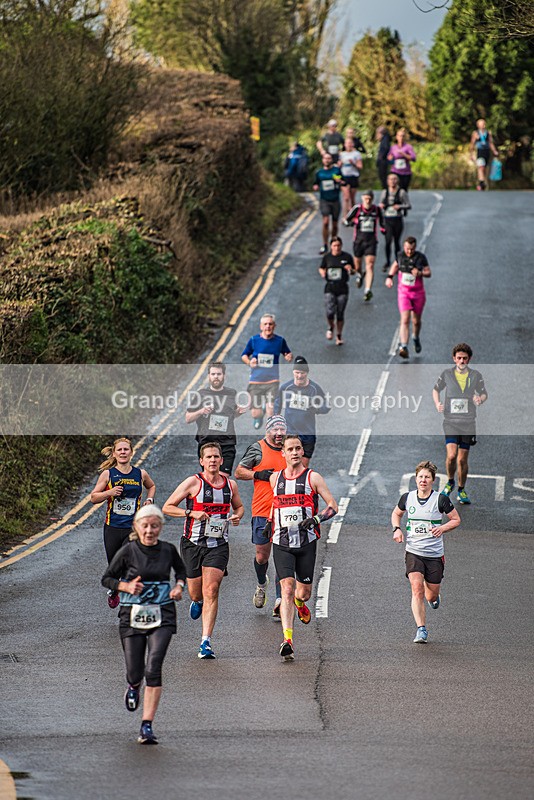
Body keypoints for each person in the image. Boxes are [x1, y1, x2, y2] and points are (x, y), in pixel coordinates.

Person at [101, 504, 186, 745]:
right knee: (135, 671)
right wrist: (125, 586)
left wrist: (179, 587)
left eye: (154, 526)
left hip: (163, 614)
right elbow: (106, 578)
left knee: (154, 667)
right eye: (145, 526)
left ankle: (146, 725)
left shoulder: (168, 550)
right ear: (137, 527)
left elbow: (181, 572)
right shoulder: (128, 551)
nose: (149, 530)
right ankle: (133, 685)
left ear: (160, 527)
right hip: (132, 615)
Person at [162, 442, 244, 659]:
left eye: (216, 456)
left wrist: (237, 516)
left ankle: (205, 642)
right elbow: (167, 507)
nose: (213, 460)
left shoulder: (230, 485)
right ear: (202, 461)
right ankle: (196, 601)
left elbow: (240, 507)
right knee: (196, 592)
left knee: (212, 590)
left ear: (221, 460)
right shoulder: (193, 483)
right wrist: (191, 513)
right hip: (192, 544)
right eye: (209, 457)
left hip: (218, 546)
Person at [264, 435, 338, 660]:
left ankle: (300, 602)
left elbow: (332, 506)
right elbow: (275, 504)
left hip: (306, 543)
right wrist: (269, 523)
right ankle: (287, 640)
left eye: (298, 448)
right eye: (290, 449)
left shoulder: (312, 477)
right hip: (281, 542)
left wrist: (316, 519)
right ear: (283, 453)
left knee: (303, 593)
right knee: (286, 589)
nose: (295, 452)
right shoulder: (275, 478)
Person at [391, 460, 461, 644]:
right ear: (415, 479)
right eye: (420, 477)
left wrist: (443, 528)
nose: (423, 480)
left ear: (433, 480)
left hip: (434, 555)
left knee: (430, 594)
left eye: (427, 477)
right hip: (413, 552)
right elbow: (396, 513)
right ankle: (421, 629)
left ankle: (435, 597)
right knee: (416, 589)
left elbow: (456, 519)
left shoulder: (441, 500)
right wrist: (396, 529)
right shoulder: (407, 498)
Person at [91, 437, 156, 608]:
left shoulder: (140, 473)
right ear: (114, 453)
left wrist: (149, 500)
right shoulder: (108, 474)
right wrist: (109, 492)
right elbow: (93, 497)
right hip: (112, 528)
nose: (123, 452)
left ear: (131, 452)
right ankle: (114, 590)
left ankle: (126, 608)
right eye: (119, 450)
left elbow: (152, 486)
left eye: (126, 449)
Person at [234, 415, 288, 616]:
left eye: (282, 431)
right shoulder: (257, 448)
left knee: (282, 557)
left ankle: (280, 600)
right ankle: (261, 583)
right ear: (268, 431)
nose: (279, 435)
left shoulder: (288, 449)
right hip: (262, 511)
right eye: (275, 431)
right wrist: (258, 474)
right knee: (262, 555)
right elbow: (239, 472)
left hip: (285, 511)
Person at [432, 344, 488, 504]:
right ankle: (450, 482)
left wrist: (480, 399)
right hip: (450, 422)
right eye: (459, 358)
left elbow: (484, 393)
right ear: (454, 359)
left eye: (464, 358)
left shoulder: (476, 375)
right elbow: (435, 389)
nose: (461, 361)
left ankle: (461, 490)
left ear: (469, 359)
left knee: (462, 460)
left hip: (468, 423)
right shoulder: (447, 374)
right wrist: (437, 403)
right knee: (451, 456)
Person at [185, 361, 248, 475]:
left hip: (227, 443)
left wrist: (239, 412)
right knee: (211, 479)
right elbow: (188, 418)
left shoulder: (231, 393)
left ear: (224, 375)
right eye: (213, 374)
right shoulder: (201, 394)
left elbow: (232, 415)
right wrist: (201, 411)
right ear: (209, 376)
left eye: (219, 374)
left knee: (223, 480)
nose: (216, 377)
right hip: (207, 443)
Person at [274, 357, 331, 465]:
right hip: (290, 432)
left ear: (307, 373)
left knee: (302, 468)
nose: (299, 376)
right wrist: (275, 421)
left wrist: (316, 409)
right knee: (289, 466)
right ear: (293, 372)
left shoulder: (314, 388)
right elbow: (277, 404)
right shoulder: (286, 388)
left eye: (303, 373)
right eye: (297, 372)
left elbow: (327, 406)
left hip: (307, 433)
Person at [241, 312, 292, 429]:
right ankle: (259, 415)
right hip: (256, 381)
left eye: (270, 324)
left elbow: (287, 352)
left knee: (271, 410)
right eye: (265, 324)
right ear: (261, 326)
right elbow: (244, 355)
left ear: (274, 326)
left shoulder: (280, 341)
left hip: (272, 381)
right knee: (255, 413)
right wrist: (250, 362)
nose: (268, 326)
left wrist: (288, 356)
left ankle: (271, 434)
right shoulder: (254, 340)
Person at [385, 236, 431, 359]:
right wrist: (389, 277)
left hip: (418, 293)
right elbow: (395, 266)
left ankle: (415, 337)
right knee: (404, 319)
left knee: (416, 321)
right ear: (404, 247)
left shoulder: (420, 258)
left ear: (415, 247)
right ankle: (403, 346)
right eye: (407, 249)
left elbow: (428, 272)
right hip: (404, 292)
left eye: (411, 249)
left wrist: (420, 273)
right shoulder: (400, 256)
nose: (409, 251)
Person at [344, 189, 385, 302]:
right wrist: (351, 223)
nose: (368, 200)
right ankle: (359, 274)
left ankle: (367, 290)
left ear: (372, 199)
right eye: (366, 198)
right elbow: (346, 220)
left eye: (369, 198)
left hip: (371, 241)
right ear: (362, 199)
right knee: (357, 266)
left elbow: (382, 221)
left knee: (370, 265)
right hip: (358, 241)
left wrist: (383, 229)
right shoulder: (357, 209)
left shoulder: (376, 209)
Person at [317, 236, 358, 345]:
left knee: (340, 313)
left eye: (338, 245)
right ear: (331, 246)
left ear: (341, 246)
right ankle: (331, 326)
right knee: (330, 312)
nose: (337, 248)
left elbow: (354, 271)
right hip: (330, 287)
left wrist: (350, 269)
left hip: (343, 288)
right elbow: (321, 267)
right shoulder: (327, 257)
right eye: (334, 246)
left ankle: (339, 335)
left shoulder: (347, 257)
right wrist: (322, 272)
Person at [379, 172, 411, 272]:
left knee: (397, 242)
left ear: (397, 181)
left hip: (397, 219)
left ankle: (397, 262)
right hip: (387, 219)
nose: (392, 181)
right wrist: (382, 206)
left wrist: (400, 206)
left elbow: (408, 205)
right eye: (390, 179)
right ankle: (387, 262)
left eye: (394, 179)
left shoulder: (401, 192)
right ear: (387, 181)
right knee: (388, 241)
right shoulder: (385, 192)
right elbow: (380, 204)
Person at [313, 152, 344, 255]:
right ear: (323, 160)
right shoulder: (319, 173)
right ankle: (325, 244)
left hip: (335, 200)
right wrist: (315, 186)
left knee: (335, 225)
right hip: (324, 200)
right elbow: (316, 183)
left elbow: (342, 181)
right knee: (326, 222)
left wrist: (339, 181)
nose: (327, 160)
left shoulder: (336, 171)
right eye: (325, 158)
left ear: (331, 160)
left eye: (329, 158)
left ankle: (333, 243)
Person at [470, 119, 498, 191]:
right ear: (478, 125)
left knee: (485, 168)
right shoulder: (475, 133)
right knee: (481, 167)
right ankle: (481, 182)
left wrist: (494, 151)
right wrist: (471, 154)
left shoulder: (488, 133)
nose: (483, 126)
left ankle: (482, 182)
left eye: (484, 124)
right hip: (480, 151)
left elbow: (490, 143)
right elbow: (472, 144)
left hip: (487, 151)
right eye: (482, 124)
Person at [339, 137, 363, 218]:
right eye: (347, 143)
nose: (349, 145)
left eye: (350, 143)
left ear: (353, 144)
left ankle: (353, 216)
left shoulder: (356, 154)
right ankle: (345, 216)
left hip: (353, 176)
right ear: (344, 145)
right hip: (344, 177)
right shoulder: (341, 154)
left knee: (352, 198)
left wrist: (353, 163)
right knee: (346, 198)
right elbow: (337, 167)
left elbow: (360, 166)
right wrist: (340, 164)